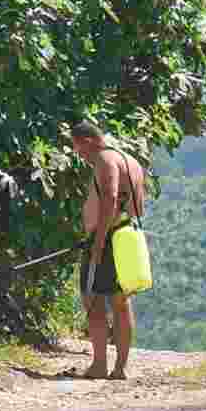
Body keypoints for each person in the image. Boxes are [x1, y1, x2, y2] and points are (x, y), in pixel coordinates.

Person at [70, 120, 147, 380]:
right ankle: (121, 367)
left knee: (93, 299)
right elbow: (139, 205)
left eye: (80, 151)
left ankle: (100, 365)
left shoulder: (105, 160)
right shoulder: (132, 161)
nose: (82, 158)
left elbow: (111, 198)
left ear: (89, 142)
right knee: (122, 302)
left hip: (107, 239)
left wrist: (99, 242)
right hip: (128, 235)